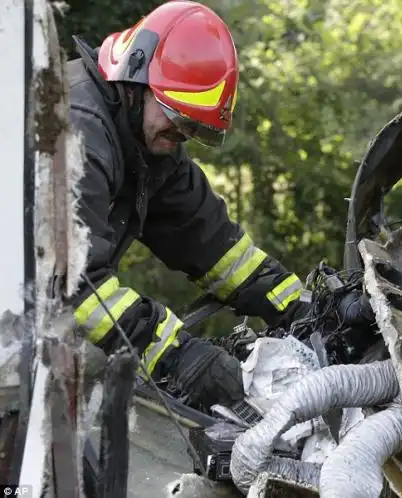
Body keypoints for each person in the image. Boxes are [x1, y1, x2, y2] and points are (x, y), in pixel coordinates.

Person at [66, 0, 372, 409]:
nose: (183, 133)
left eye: (194, 127)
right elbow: (70, 288)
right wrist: (180, 357)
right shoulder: (75, 130)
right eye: (178, 116)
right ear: (135, 75)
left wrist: (305, 308)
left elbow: (215, 245)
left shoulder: (148, 143)